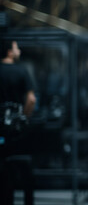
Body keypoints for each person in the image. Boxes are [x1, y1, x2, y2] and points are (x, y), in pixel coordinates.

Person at [0, 39, 37, 205]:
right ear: (9, 52)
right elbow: (31, 99)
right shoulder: (21, 71)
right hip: (15, 129)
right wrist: (24, 116)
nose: (19, 51)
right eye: (16, 48)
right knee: (22, 164)